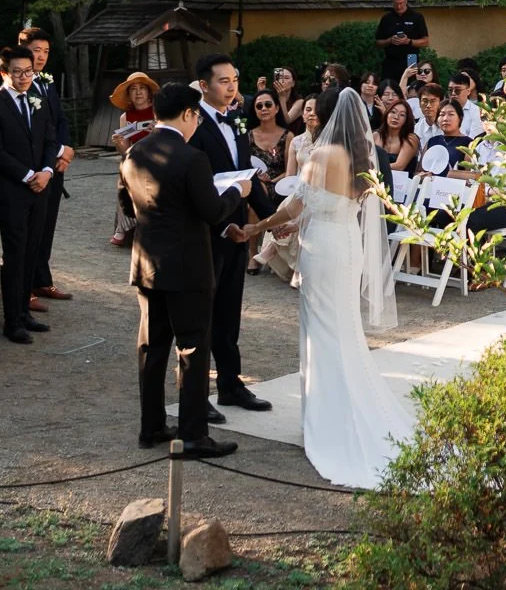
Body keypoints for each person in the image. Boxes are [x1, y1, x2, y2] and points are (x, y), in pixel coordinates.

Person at [256, 87, 408, 485]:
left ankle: (325, 421)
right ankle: (341, 409)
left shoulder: (321, 155)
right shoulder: (364, 154)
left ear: (322, 117)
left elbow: (295, 205)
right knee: (343, 329)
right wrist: (299, 220)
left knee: (321, 331)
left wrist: (259, 228)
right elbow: (336, 203)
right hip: (347, 243)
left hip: (321, 249)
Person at [120, 80, 240, 458]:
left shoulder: (135, 152)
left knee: (152, 348)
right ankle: (192, 434)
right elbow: (211, 211)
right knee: (191, 347)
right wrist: (238, 192)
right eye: (196, 116)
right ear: (189, 114)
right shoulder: (192, 158)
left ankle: (152, 426)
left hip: (146, 263)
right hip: (187, 267)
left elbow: (127, 205)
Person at [185, 54, 272, 417]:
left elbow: (243, 175)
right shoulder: (192, 125)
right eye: (223, 80)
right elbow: (196, 186)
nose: (232, 86)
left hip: (238, 229)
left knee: (230, 312)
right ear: (204, 86)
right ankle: (197, 396)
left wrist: (269, 218)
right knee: (202, 317)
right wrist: (223, 225)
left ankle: (231, 385)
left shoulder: (237, 119)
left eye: (235, 79)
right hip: (208, 232)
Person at [0, 45, 58, 347]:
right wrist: (28, 176)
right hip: (12, 189)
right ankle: (12, 321)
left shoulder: (37, 100)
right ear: (4, 72)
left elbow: (50, 139)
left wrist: (47, 171)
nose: (25, 76)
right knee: (15, 252)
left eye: (29, 71)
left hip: (41, 186)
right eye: (18, 72)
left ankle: (24, 311)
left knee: (33, 249)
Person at [15, 29, 76, 305]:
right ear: (23, 49)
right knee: (28, 230)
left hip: (55, 165)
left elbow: (60, 120)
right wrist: (58, 152)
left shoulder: (47, 83)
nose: (41, 56)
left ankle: (41, 279)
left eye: (46, 52)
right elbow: (33, 129)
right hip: (34, 167)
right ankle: (22, 286)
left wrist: (65, 152)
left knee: (47, 225)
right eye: (36, 50)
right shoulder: (18, 84)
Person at [106, 70, 160, 247]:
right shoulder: (125, 117)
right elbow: (125, 152)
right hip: (135, 159)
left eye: (142, 88)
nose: (138, 92)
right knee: (125, 175)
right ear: (128, 94)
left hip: (157, 159)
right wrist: (120, 143)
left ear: (149, 92)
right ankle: (124, 227)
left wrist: (156, 134)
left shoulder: (157, 113)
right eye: (134, 89)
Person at [374, 0, 429, 81]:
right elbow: (378, 42)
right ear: (392, 2)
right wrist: (390, 40)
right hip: (391, 60)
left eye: (401, 3)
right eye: (396, 4)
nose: (399, 7)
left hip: (410, 59)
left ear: (406, 0)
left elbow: (426, 41)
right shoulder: (387, 18)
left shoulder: (417, 17)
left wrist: (409, 41)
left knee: (411, 88)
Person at [375, 97, 422, 184]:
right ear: (387, 114)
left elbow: (399, 166)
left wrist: (373, 168)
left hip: (402, 186)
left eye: (402, 115)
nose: (396, 117)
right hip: (376, 183)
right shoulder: (375, 136)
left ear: (406, 120)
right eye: (393, 112)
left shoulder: (411, 139)